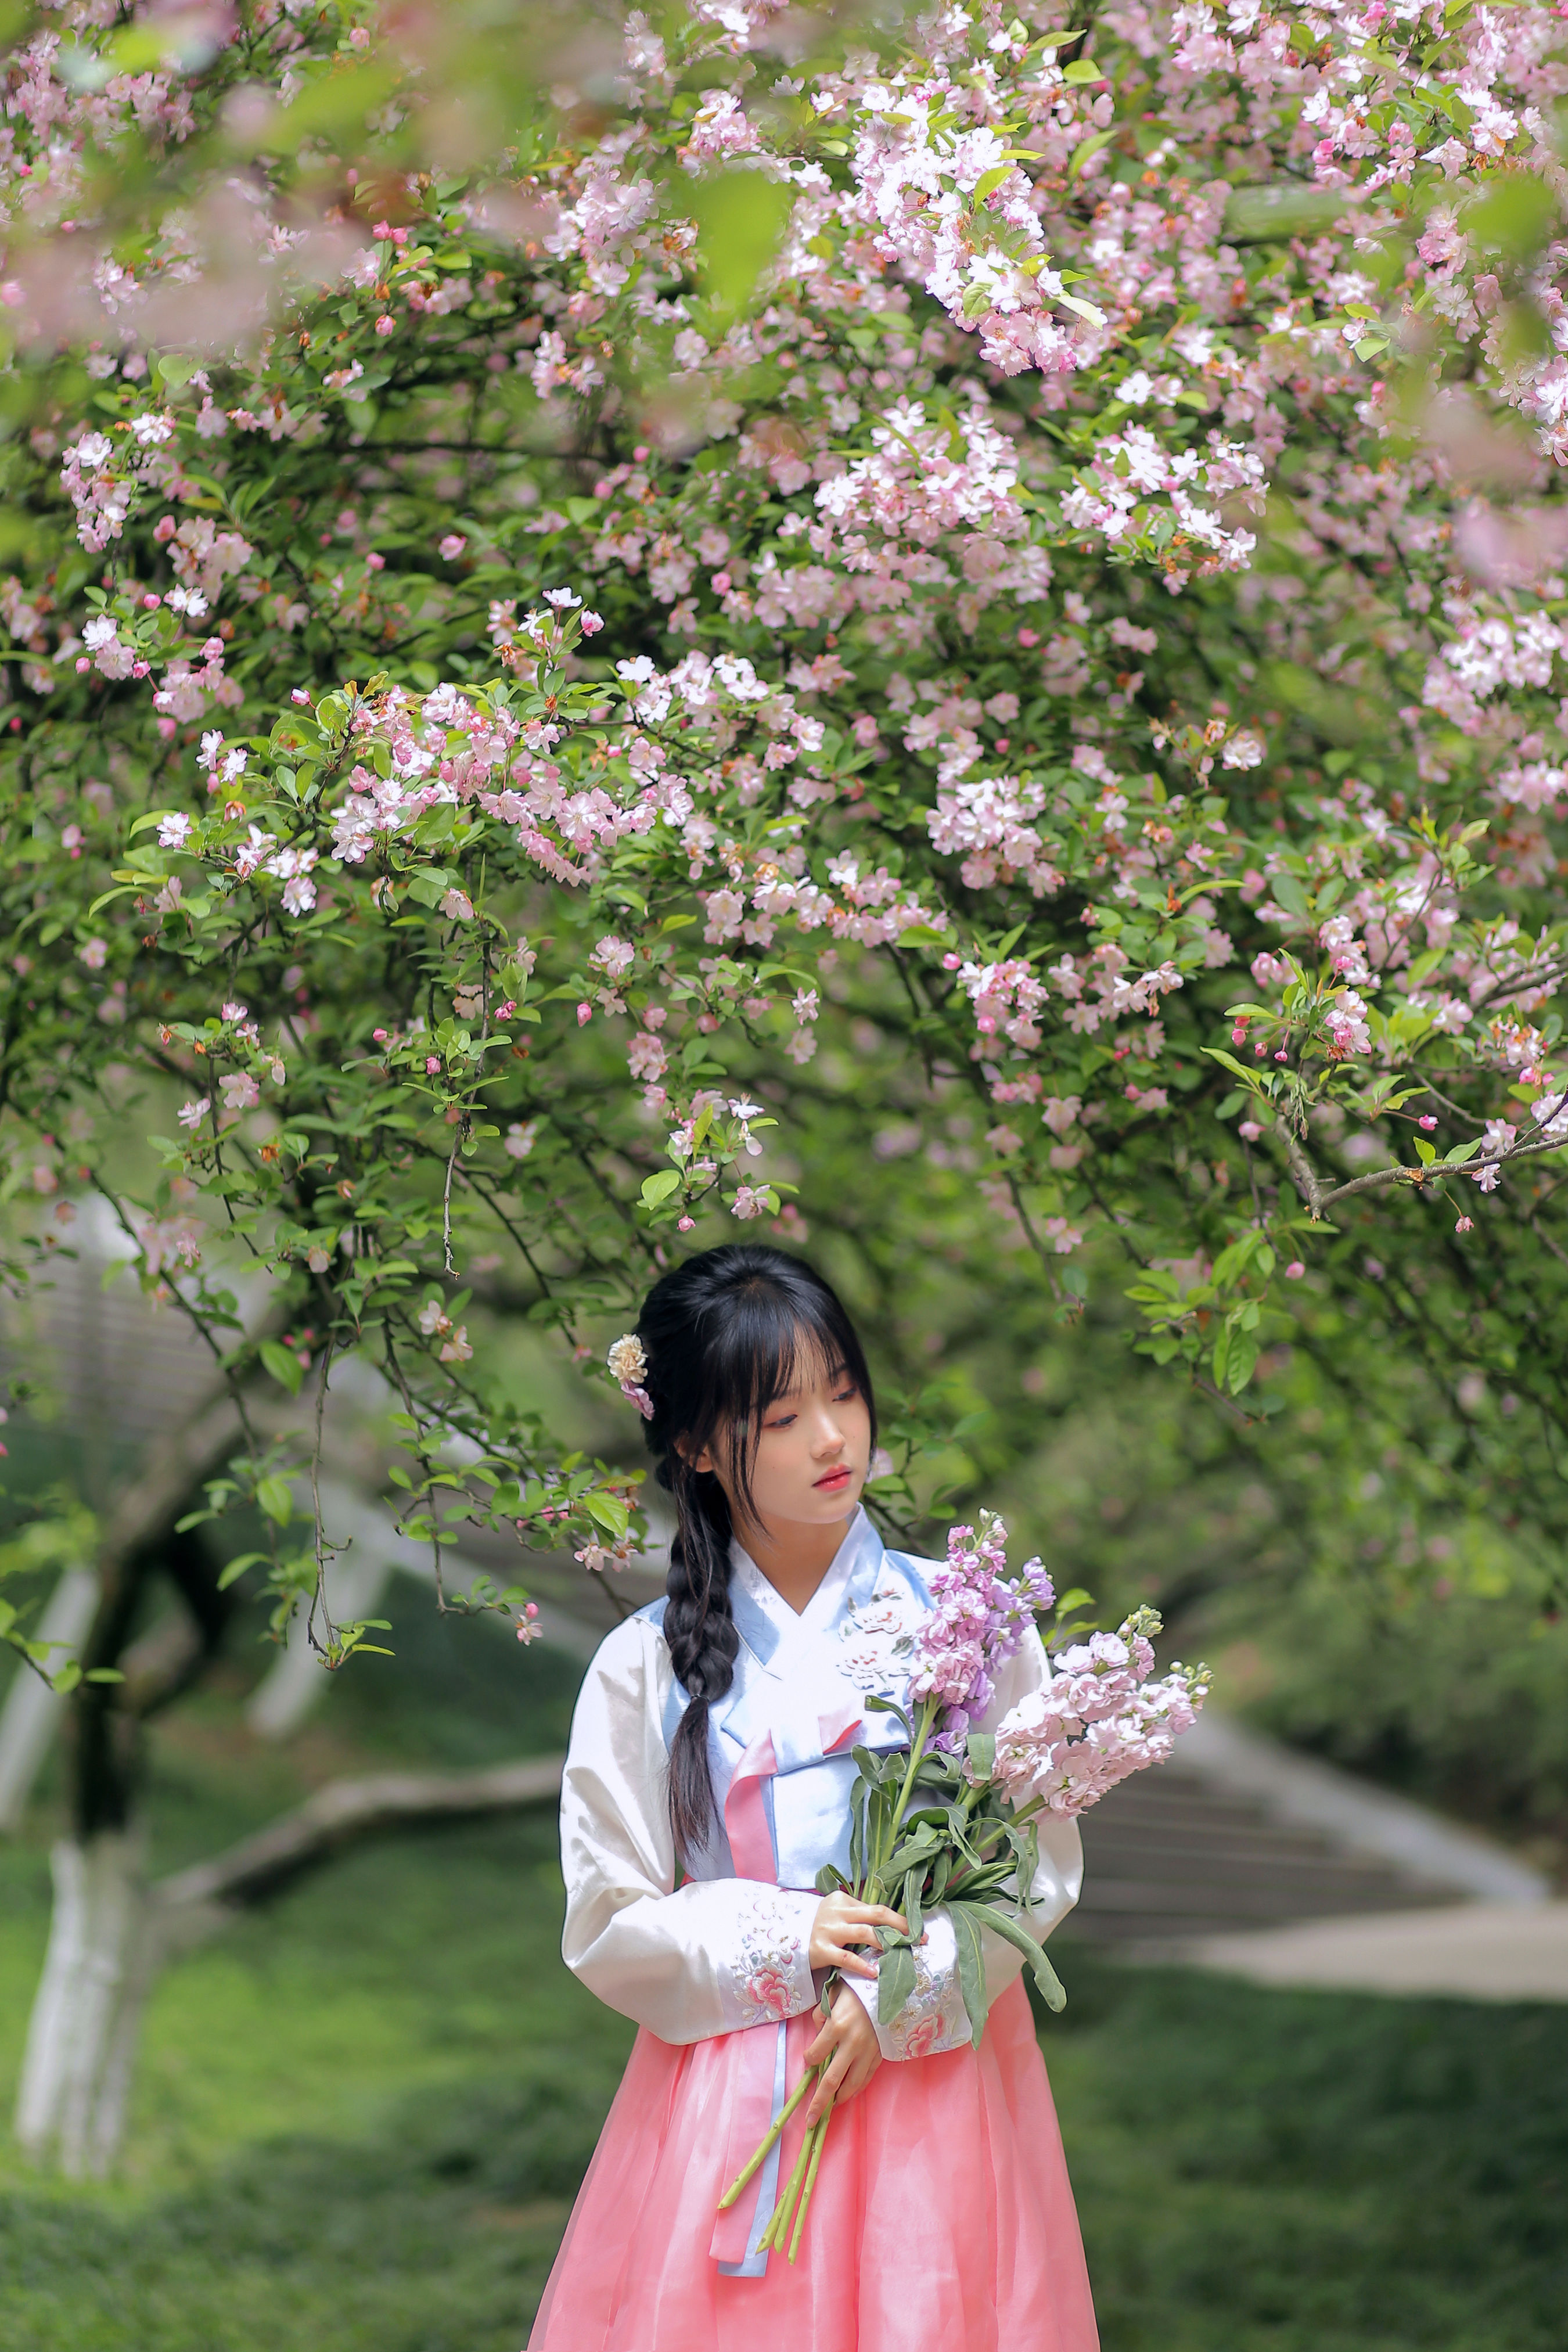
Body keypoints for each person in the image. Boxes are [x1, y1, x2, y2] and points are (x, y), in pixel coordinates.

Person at [527, 1243, 1098, 2352]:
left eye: (843, 1390)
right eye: (782, 1415)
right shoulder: (643, 1667)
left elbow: (1036, 1869)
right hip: (738, 2096)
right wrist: (792, 1937)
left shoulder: (968, 1624)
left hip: (933, 2086)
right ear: (696, 1443)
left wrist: (903, 1984)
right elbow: (608, 1921)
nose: (834, 1437)